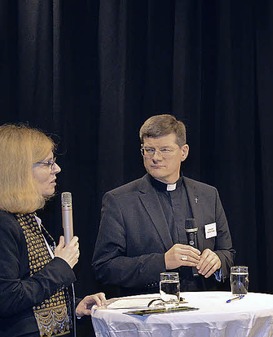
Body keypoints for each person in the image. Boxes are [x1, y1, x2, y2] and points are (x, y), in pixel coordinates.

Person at [0, 124, 107, 337]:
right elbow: (7, 298)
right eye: (46, 163)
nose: (56, 169)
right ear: (19, 170)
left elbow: (33, 295)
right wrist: (60, 267)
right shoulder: (4, 225)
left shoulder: (28, 219)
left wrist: (74, 306)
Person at [92, 114, 235, 296]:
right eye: (149, 150)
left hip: (204, 308)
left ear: (183, 152)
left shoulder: (208, 195)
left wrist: (218, 260)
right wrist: (163, 262)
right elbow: (104, 267)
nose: (155, 157)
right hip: (148, 314)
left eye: (165, 150)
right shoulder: (120, 200)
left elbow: (227, 253)